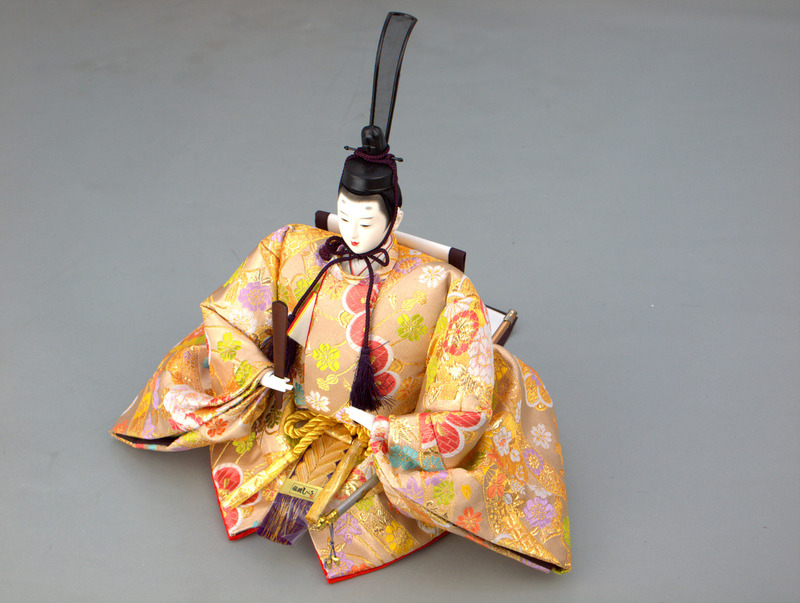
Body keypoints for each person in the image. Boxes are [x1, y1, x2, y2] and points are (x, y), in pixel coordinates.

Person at [110, 12, 570, 582]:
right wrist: (260, 374)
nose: (350, 232)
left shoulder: (441, 287)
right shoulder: (294, 248)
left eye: (366, 220)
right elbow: (227, 315)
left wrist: (390, 431)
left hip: (377, 427)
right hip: (293, 409)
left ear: (396, 218)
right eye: (343, 215)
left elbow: (464, 401)